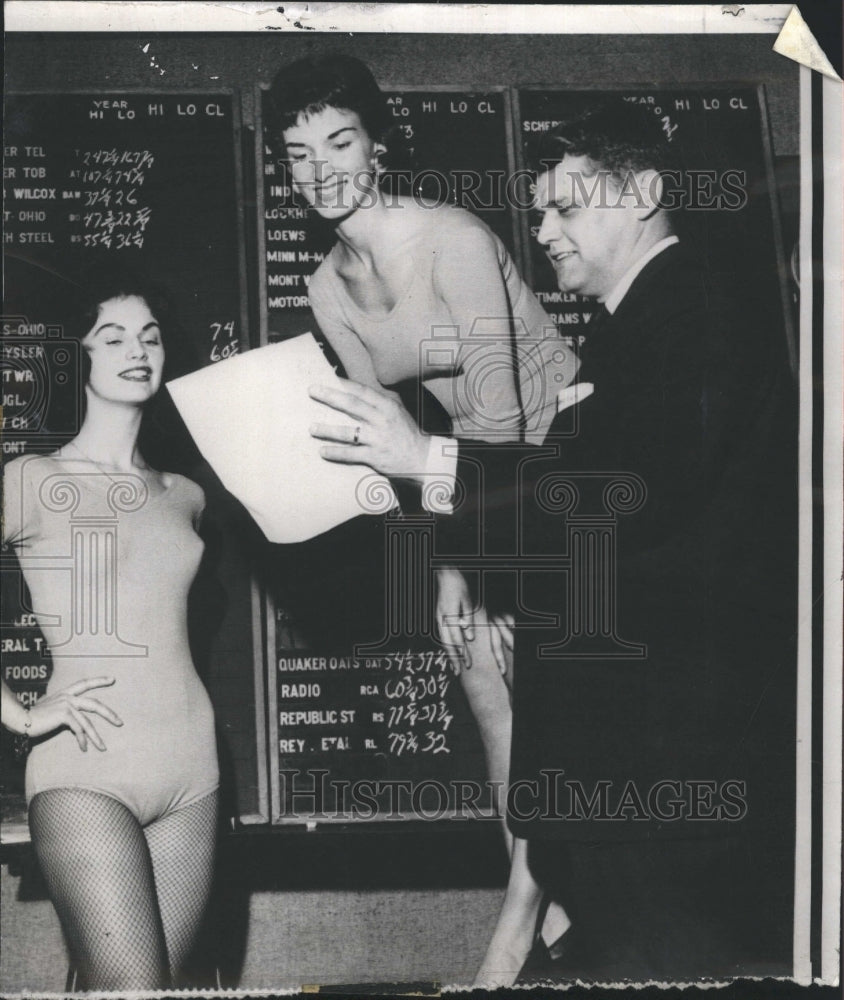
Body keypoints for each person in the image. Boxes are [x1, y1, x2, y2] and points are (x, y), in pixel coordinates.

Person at [308, 100, 797, 982]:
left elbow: (619, 496)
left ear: (643, 192)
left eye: (565, 208)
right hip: (638, 771)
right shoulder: (636, 325)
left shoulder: (696, 312)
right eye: (538, 214)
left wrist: (425, 457)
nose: (541, 234)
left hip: (672, 772)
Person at [267, 53, 576, 982]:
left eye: (339, 142)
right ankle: (555, 925)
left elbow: (500, 416)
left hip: (568, 471)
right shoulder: (326, 286)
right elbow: (389, 442)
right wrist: (450, 573)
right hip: (470, 484)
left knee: (550, 703)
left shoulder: (453, 238)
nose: (320, 170)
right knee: (484, 688)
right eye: (297, 153)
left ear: (379, 144)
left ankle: (515, 933)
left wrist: (474, 569)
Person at [1, 272, 219, 991]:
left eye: (150, 337)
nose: (138, 351)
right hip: (86, 770)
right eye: (113, 337)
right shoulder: (34, 479)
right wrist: (21, 715)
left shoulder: (186, 496)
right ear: (79, 356)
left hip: (192, 770)